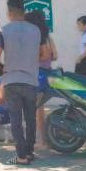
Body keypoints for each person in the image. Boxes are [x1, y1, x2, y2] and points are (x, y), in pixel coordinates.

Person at [0, 0, 42, 166]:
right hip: (31, 80)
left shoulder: (3, 30)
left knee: (16, 119)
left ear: (10, 11)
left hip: (12, 80)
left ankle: (21, 156)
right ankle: (29, 152)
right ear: (23, 10)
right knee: (30, 118)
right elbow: (40, 54)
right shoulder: (36, 30)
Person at [25, 10, 57, 146]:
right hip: (47, 73)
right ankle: (43, 139)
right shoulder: (48, 37)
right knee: (40, 109)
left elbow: (44, 55)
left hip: (38, 75)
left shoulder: (37, 38)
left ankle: (42, 140)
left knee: (36, 110)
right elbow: (54, 56)